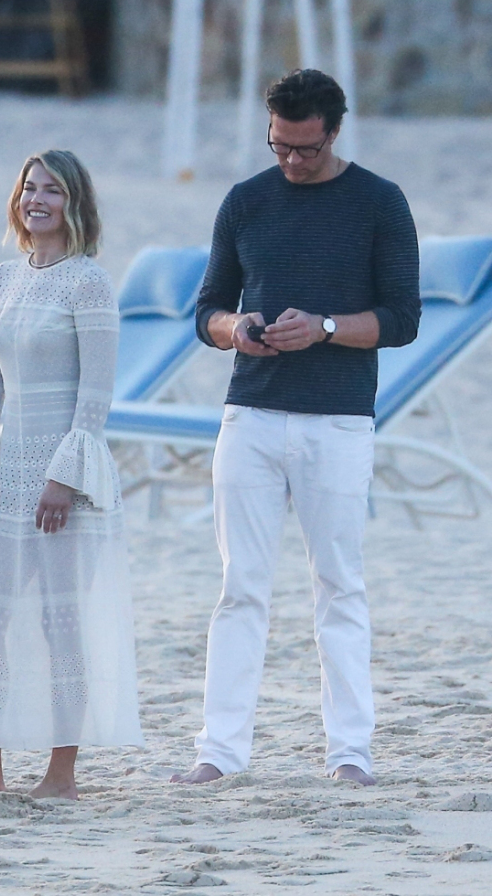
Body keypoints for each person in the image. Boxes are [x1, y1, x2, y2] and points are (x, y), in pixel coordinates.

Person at [172, 69, 420, 787]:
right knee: (240, 587)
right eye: (279, 145)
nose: (291, 160)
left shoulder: (380, 202)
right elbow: (206, 310)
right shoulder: (245, 201)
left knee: (338, 586)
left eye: (305, 148)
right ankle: (219, 752)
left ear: (334, 132)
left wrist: (326, 328)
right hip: (249, 414)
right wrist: (236, 329)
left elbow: (403, 319)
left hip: (338, 421)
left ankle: (350, 753)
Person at [0, 150, 143, 798]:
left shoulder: (89, 282)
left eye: (51, 189)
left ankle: (61, 774)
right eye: (29, 187)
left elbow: (96, 393)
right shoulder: (3, 278)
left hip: (65, 483)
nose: (36, 199)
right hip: (10, 477)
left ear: (74, 202)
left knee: (62, 623)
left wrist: (65, 477)